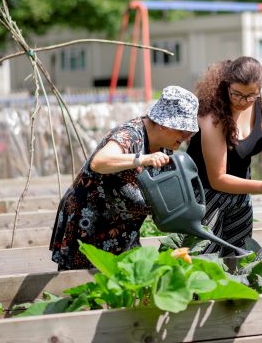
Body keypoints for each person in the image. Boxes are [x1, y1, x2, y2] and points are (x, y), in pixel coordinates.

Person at [49, 85, 199, 270]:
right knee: (84, 287)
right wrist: (143, 159)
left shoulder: (164, 146)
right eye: (183, 131)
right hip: (90, 223)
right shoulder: (131, 134)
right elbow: (99, 162)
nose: (186, 137)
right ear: (163, 124)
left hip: (122, 227)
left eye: (190, 132)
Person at [186, 56, 262, 255]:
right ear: (226, 86)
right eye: (237, 94)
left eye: (250, 95)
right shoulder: (212, 117)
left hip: (240, 196)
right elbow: (218, 179)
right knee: (206, 260)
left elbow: (261, 133)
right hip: (206, 198)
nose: (243, 101)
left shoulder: (261, 100)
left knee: (238, 257)